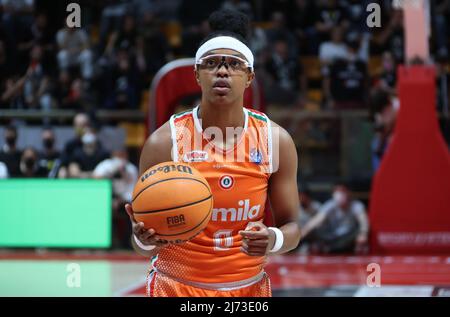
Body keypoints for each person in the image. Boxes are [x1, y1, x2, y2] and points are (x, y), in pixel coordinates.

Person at [125, 9, 301, 297]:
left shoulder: (275, 141)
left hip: (247, 290)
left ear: (249, 76)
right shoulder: (165, 142)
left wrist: (273, 238)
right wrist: (143, 239)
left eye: (234, 64)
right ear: (196, 74)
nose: (222, 71)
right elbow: (142, 245)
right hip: (175, 287)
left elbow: (292, 226)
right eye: (211, 64)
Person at [300, 184, 369, 254]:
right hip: (333, 236)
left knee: (358, 232)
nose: (339, 194)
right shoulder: (330, 205)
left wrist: (363, 233)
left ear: (348, 192)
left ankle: (332, 248)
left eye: (342, 191)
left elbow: (363, 221)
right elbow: (317, 220)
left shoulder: (357, 206)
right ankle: (329, 247)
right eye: (336, 191)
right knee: (317, 229)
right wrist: (303, 232)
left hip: (348, 238)